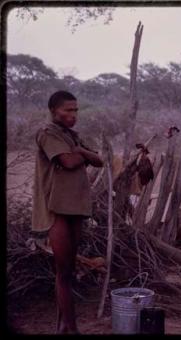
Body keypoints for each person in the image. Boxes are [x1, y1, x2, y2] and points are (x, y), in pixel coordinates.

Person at [32, 90, 103, 333]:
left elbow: (99, 160)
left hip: (74, 207)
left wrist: (81, 152)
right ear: (54, 111)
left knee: (69, 269)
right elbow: (70, 162)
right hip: (56, 208)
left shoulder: (71, 135)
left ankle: (63, 325)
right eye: (67, 110)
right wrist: (82, 153)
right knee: (63, 271)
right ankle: (71, 328)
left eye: (75, 110)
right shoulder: (48, 133)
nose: (73, 115)